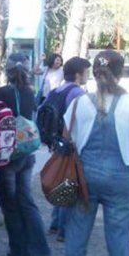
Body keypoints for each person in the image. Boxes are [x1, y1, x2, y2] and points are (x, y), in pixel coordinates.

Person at [62, 50, 129, 256]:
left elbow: (66, 139)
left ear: (94, 73)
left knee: (76, 237)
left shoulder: (79, 103)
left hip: (84, 176)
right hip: (121, 176)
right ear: (121, 73)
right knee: (119, 241)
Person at [0, 53, 52, 256]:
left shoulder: (2, 93)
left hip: (9, 155)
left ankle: (26, 250)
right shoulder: (29, 91)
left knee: (11, 204)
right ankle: (29, 250)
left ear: (6, 70)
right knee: (25, 201)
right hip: (26, 153)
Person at [40, 56, 91, 241]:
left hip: (56, 142)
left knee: (60, 180)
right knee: (70, 184)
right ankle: (64, 230)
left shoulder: (56, 90)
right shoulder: (78, 94)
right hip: (71, 145)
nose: (88, 76)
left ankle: (55, 224)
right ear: (78, 74)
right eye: (86, 72)